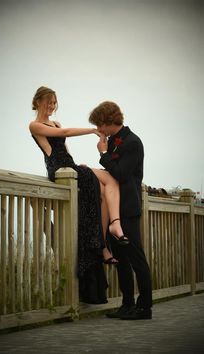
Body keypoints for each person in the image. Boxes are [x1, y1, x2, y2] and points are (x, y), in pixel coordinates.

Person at [29, 86, 128, 304]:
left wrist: (77, 164)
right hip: (58, 169)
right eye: (48, 102)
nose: (51, 106)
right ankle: (103, 244)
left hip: (70, 166)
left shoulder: (56, 122)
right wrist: (92, 130)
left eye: (54, 102)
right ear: (37, 102)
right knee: (100, 184)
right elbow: (62, 136)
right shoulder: (35, 125)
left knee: (106, 185)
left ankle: (108, 233)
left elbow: (66, 148)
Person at [89, 101, 153, 319]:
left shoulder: (133, 142)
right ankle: (127, 305)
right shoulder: (116, 141)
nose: (99, 130)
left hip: (128, 207)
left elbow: (121, 175)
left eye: (100, 125)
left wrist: (103, 153)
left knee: (136, 258)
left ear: (108, 122)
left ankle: (144, 307)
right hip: (115, 207)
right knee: (122, 260)